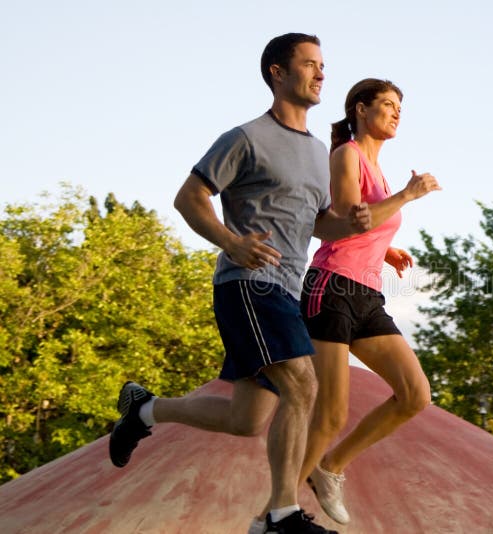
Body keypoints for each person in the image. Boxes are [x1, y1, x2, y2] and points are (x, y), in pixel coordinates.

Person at [108, 33, 371, 534]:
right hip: (249, 284)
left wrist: (351, 224)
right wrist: (231, 242)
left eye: (323, 66)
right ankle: (279, 516)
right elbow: (189, 197)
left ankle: (144, 409)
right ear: (277, 72)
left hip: (285, 291)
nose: (320, 75)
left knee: (247, 420)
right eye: (310, 64)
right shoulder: (245, 138)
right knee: (303, 383)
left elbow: (319, 224)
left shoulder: (320, 152)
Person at [300, 78, 441, 524]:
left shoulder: (378, 170)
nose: (396, 112)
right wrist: (406, 196)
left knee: (415, 394)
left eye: (400, 106)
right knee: (330, 414)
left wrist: (386, 249)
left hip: (366, 295)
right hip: (331, 288)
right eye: (386, 104)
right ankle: (275, 514)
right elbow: (345, 220)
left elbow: (370, 226)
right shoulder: (347, 155)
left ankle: (330, 467)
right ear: (360, 110)